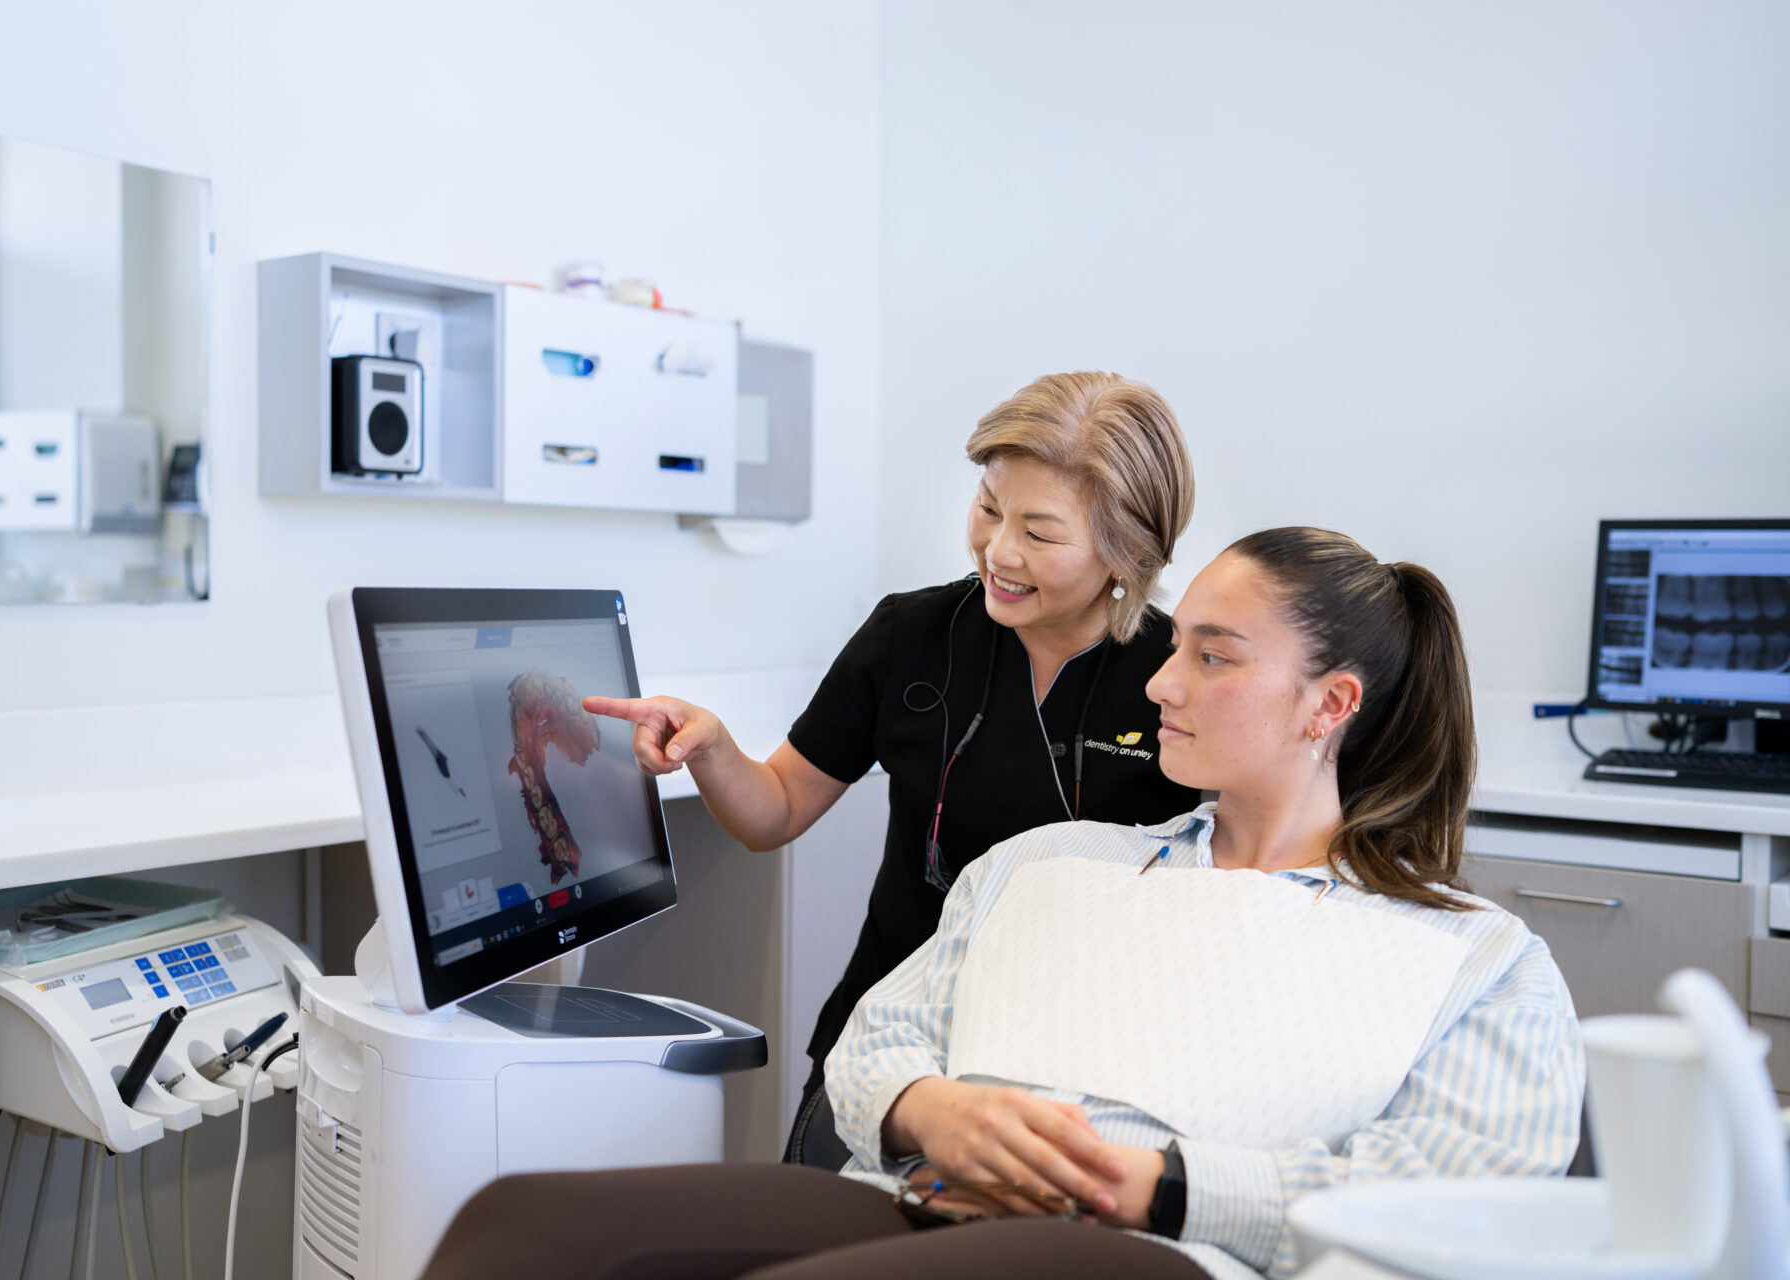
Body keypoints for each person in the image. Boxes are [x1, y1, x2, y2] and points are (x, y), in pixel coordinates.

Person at [422, 528, 1584, 1280]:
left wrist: (1155, 1180)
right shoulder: (1050, 862)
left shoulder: (1471, 956)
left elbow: (1465, 1196)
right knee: (523, 1231)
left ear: (1330, 702)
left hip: (1167, 1248)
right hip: (927, 1194)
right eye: (1173, 648)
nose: (1165, 682)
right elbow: (881, 1036)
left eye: (1213, 658)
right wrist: (931, 1108)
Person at [586, 371, 1201, 1152]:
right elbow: (772, 812)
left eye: (1039, 534)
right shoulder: (910, 635)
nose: (999, 550)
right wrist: (711, 748)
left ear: (1127, 552)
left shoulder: (1176, 679)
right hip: (885, 1047)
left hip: (1072, 1069)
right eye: (987, 507)